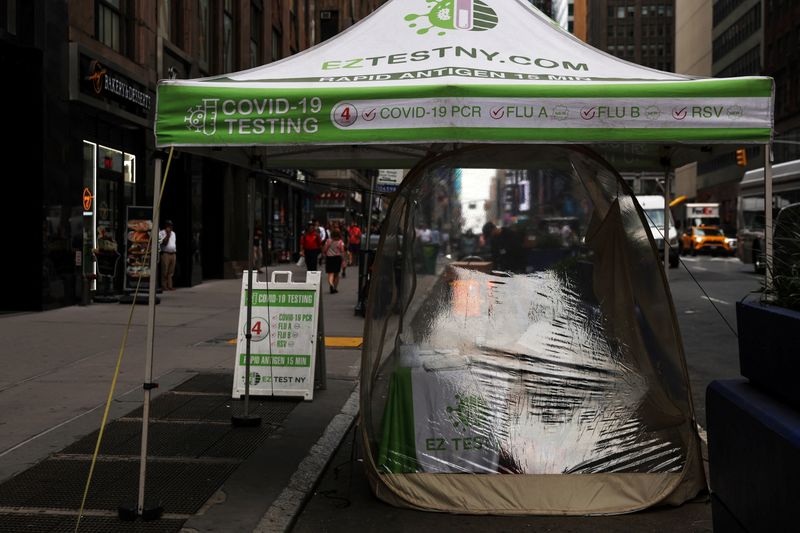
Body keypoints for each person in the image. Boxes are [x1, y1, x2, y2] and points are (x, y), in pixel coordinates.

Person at [322, 228, 345, 293]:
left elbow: (325, 249)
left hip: (329, 258)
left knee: (330, 273)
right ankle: (335, 288)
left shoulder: (328, 241)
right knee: (336, 274)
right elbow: (342, 251)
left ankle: (331, 285)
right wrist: (343, 260)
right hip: (337, 258)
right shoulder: (340, 242)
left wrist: (324, 254)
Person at [159, 219, 177, 290]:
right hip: (165, 254)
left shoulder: (174, 233)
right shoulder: (161, 233)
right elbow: (164, 243)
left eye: (171, 225)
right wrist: (168, 234)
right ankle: (164, 285)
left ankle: (170, 286)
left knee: (171, 272)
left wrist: (170, 233)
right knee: (165, 271)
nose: (170, 227)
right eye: (168, 225)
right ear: (166, 226)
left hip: (173, 254)